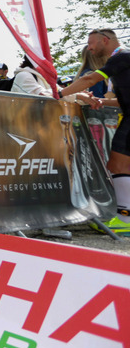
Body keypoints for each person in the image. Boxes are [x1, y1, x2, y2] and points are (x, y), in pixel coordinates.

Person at [58, 29, 130, 233]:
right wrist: (102, 101)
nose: (89, 48)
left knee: (118, 165)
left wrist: (59, 93)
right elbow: (122, 100)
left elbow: (89, 80)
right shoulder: (123, 59)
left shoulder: (121, 57)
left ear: (105, 41)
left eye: (91, 43)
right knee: (120, 165)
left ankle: (125, 220)